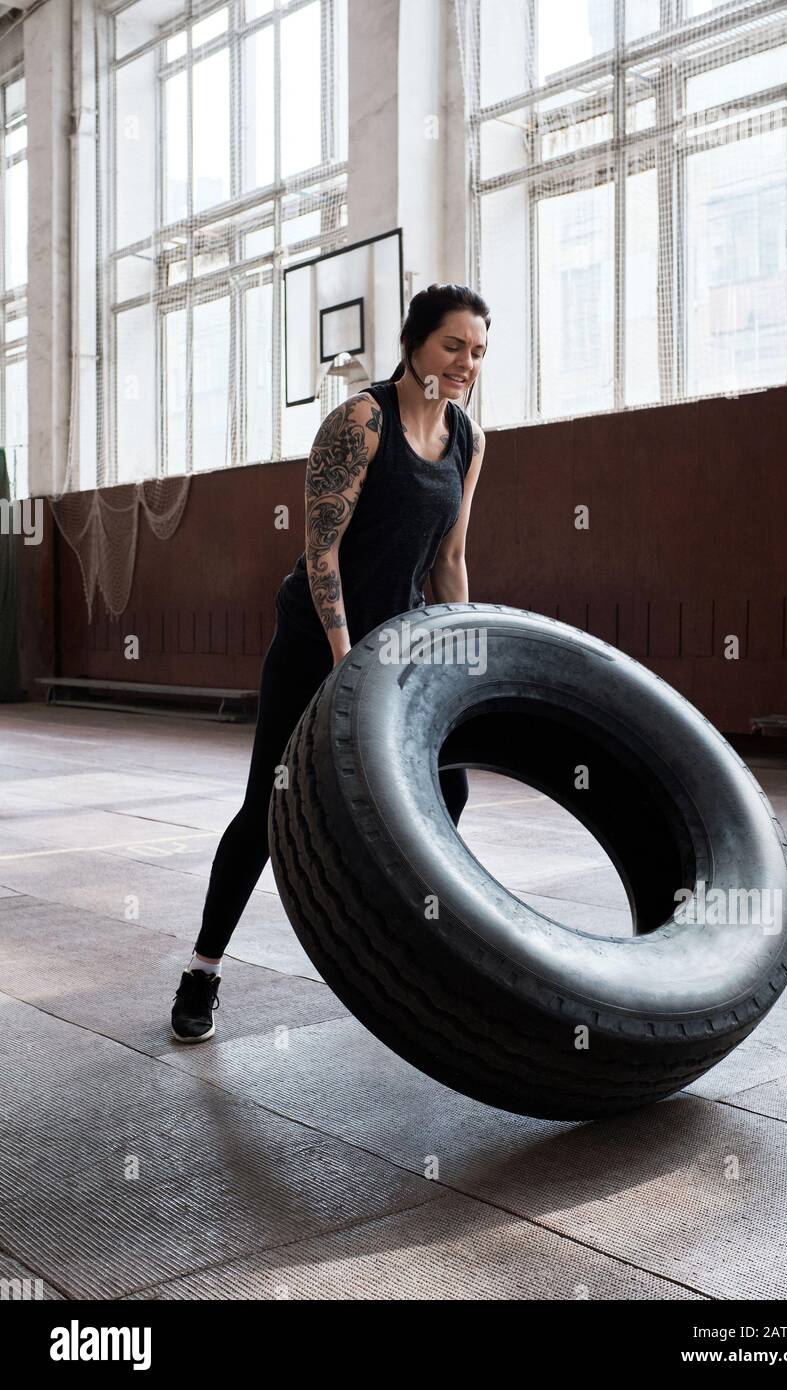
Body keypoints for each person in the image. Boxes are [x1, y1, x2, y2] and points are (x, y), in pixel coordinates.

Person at [171, 282, 490, 1041]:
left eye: (477, 351)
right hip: (321, 640)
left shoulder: (470, 440)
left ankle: (413, 953)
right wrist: (345, 664)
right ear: (414, 342)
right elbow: (322, 554)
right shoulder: (360, 423)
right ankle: (202, 971)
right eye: (453, 346)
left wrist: (461, 654)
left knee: (450, 791)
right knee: (267, 809)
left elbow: (450, 559)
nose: (466, 363)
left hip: (401, 643)